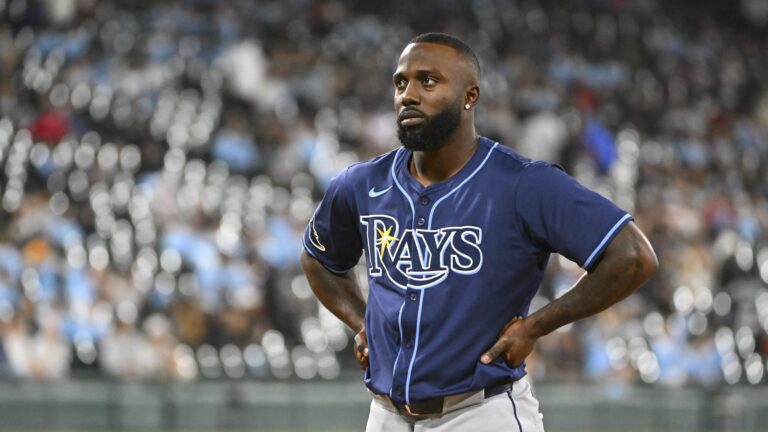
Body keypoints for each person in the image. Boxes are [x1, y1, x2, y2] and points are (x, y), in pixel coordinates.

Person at [300, 32, 658, 432]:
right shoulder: (363, 183)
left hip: (479, 413)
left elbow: (633, 256)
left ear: (470, 96)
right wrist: (362, 321)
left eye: (428, 81)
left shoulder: (523, 184)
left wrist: (537, 325)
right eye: (401, 83)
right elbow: (319, 258)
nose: (409, 95)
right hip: (385, 416)